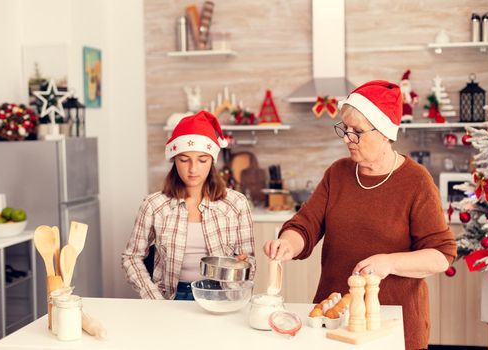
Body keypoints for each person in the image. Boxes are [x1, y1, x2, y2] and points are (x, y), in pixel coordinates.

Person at [263, 80, 456, 349]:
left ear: (385, 133)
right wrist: (287, 242)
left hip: (391, 323)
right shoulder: (338, 173)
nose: (346, 138)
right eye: (345, 129)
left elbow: (441, 255)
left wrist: (389, 263)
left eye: (357, 131)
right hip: (332, 319)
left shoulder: (416, 181)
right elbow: (306, 224)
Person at [122, 110, 255, 300]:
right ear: (174, 159)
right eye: (184, 160)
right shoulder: (154, 205)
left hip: (223, 295)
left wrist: (241, 267)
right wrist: (154, 298)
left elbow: (249, 261)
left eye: (202, 160)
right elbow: (131, 257)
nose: (193, 169)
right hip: (171, 297)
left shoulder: (236, 204)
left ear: (212, 161)